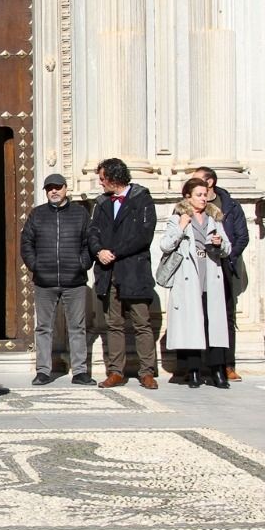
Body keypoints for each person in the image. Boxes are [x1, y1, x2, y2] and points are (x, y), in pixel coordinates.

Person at [87, 158, 158, 389]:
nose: (100, 183)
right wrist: (99, 251)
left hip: (133, 271)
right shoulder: (102, 203)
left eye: (102, 178)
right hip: (109, 272)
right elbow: (93, 231)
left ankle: (147, 371)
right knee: (113, 324)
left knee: (141, 322)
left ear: (114, 178)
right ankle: (116, 371)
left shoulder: (141, 199)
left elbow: (144, 235)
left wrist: (115, 252)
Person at [159, 177, 233, 388]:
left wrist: (219, 245)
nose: (203, 198)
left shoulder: (214, 219)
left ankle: (218, 370)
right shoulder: (177, 219)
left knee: (214, 325)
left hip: (211, 273)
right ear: (188, 198)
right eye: (198, 195)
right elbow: (165, 245)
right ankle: (193, 371)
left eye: (205, 194)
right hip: (188, 276)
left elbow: (228, 247)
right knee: (192, 324)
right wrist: (181, 227)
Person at [21, 172, 92, 386]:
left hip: (75, 281)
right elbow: (26, 243)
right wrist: (36, 267)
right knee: (43, 327)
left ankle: (80, 371)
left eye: (58, 187)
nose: (54, 191)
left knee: (77, 326)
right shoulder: (37, 214)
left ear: (65, 189)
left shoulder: (80, 214)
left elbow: (90, 243)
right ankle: (43, 371)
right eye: (49, 187)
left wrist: (82, 264)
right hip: (45, 281)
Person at [194, 166, 249, 382]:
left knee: (225, 317)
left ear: (210, 183)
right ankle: (196, 366)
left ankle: (227, 364)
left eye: (198, 181)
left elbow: (241, 237)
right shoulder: (189, 205)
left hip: (224, 267)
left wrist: (226, 255)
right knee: (197, 315)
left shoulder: (230, 206)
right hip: (198, 267)